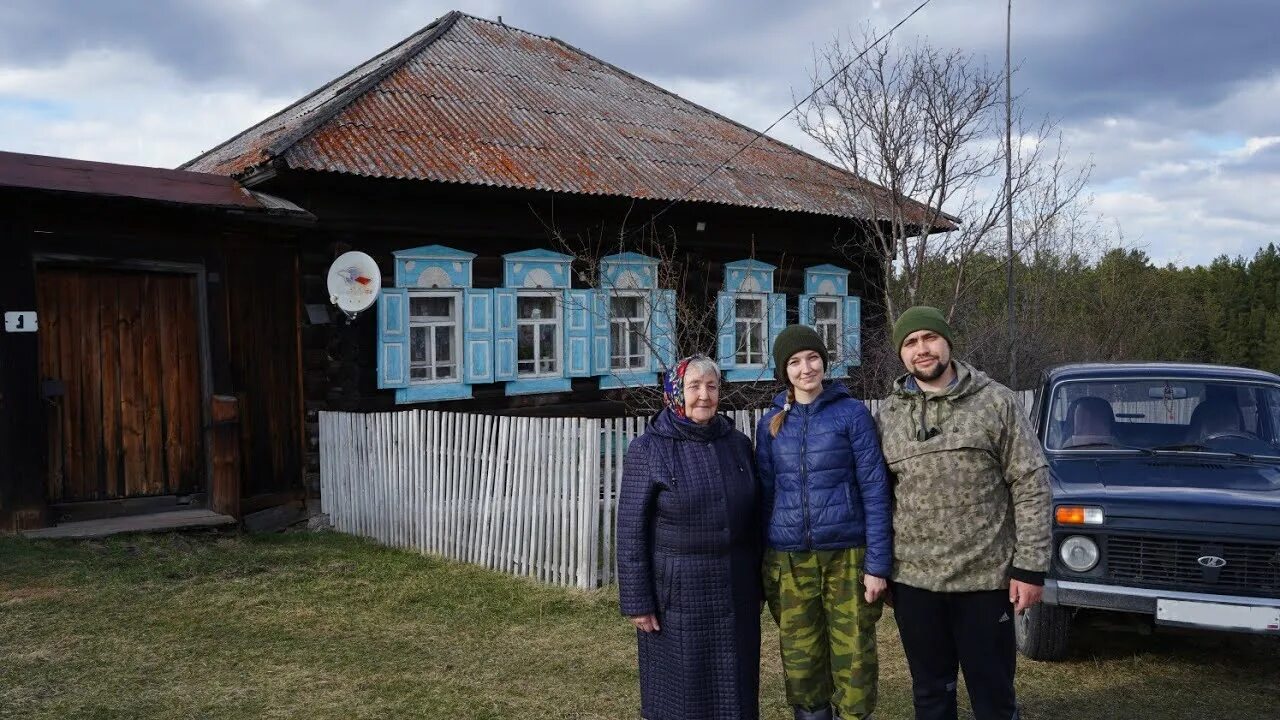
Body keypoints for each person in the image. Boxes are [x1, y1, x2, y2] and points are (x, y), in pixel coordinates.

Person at [874, 306, 1051, 720]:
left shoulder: (996, 402)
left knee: (993, 696)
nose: (922, 349)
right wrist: (879, 565)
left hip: (986, 581)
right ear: (902, 353)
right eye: (910, 342)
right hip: (915, 583)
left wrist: (1030, 568)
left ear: (947, 342)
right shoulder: (889, 415)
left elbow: (1032, 483)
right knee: (932, 695)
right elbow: (878, 496)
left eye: (929, 338)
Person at [755, 325, 893, 720]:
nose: (805, 369)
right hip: (790, 562)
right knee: (802, 662)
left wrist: (878, 565)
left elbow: (875, 490)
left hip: (847, 558)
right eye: (795, 362)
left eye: (812, 358)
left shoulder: (852, 414)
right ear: (785, 371)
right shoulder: (771, 426)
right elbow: (766, 496)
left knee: (854, 660)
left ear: (824, 362)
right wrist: (767, 565)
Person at [617, 355, 762, 720]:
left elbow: (755, 518)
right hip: (678, 594)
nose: (704, 396)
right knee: (682, 694)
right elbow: (630, 531)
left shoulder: (738, 445)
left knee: (737, 687)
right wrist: (638, 600)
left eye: (711, 386)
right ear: (675, 392)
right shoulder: (649, 449)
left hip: (735, 588)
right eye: (693, 386)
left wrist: (759, 583)